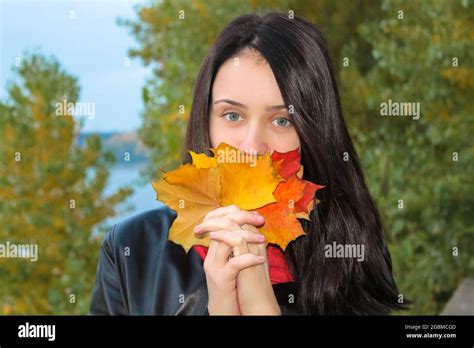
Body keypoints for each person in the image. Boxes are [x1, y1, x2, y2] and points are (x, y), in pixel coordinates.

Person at [89, 11, 407, 315]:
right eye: (233, 115)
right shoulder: (131, 250)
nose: (252, 147)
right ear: (206, 121)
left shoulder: (348, 254)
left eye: (282, 120)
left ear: (315, 134)